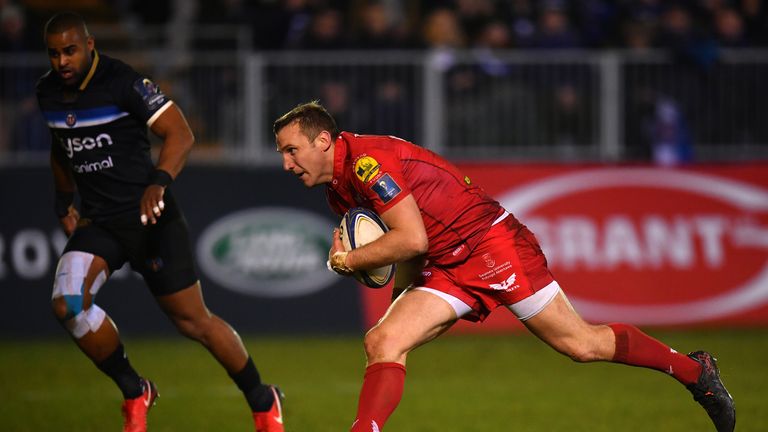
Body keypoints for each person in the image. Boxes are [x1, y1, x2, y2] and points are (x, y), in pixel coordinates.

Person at [273, 101, 736, 432]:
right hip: (445, 262)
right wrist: (401, 300)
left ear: (323, 140)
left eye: (292, 150)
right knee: (383, 340)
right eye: (282, 153)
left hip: (491, 244)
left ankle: (695, 373)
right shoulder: (338, 189)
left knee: (581, 345)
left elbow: (410, 238)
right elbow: (414, 247)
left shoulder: (369, 164)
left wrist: (349, 259)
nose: (287, 163)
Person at [37, 12, 284, 432]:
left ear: (90, 45)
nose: (62, 61)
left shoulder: (123, 82)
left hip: (149, 217)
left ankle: (263, 400)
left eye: (70, 50)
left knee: (194, 322)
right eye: (55, 53)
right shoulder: (48, 93)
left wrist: (159, 182)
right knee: (67, 302)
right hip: (100, 221)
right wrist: (64, 202)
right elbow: (61, 148)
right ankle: (135, 390)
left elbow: (180, 133)